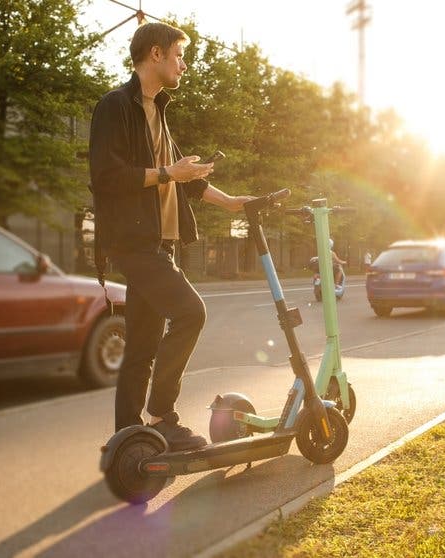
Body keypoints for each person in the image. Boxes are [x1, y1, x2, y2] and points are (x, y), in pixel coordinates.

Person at [89, 22, 254, 451]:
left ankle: (127, 440)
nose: (184, 65)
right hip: (134, 242)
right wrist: (168, 173)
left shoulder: (157, 111)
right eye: (179, 55)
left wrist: (232, 201)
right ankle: (162, 417)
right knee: (190, 313)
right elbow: (107, 175)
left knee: (141, 347)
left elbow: (186, 177)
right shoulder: (115, 106)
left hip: (160, 243)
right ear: (156, 54)